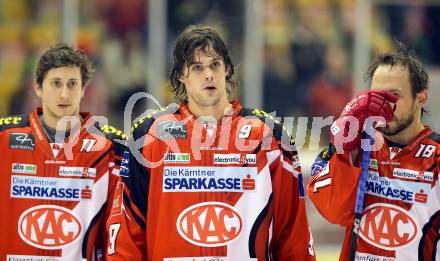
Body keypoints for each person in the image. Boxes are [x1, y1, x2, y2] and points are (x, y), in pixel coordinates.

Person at [106, 24, 315, 260]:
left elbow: (293, 236)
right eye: (197, 67)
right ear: (181, 75)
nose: (208, 74)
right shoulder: (149, 135)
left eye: (215, 65)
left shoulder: (269, 136)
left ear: (226, 70)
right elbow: (127, 235)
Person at [308, 42, 439, 260]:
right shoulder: (359, 148)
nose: (385, 107)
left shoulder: (436, 155)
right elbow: (333, 212)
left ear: (421, 98)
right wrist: (344, 148)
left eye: (394, 96)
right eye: (377, 97)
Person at [0, 43, 125, 260]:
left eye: (72, 84)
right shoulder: (4, 139)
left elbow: (122, 229)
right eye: (56, 83)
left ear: (84, 89)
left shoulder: (111, 146)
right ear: (37, 87)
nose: (64, 94)